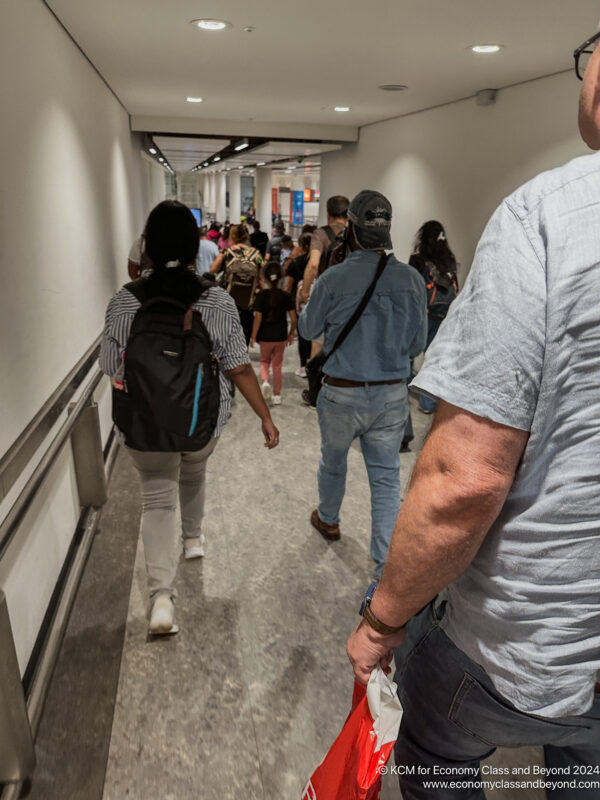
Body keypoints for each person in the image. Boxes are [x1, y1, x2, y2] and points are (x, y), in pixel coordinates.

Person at [347, 28, 600, 799]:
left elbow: (463, 482)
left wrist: (382, 622)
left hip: (519, 645)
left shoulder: (551, 216)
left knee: (436, 751)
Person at [99, 201, 279, 636]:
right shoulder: (215, 300)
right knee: (194, 470)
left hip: (143, 426)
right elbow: (237, 366)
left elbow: (111, 366)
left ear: (147, 247)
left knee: (156, 499)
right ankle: (193, 540)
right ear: (194, 244)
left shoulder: (125, 302)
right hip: (201, 421)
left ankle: (161, 597)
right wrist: (265, 417)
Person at [298, 190, 427, 579]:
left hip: (340, 393)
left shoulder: (334, 278)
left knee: (333, 461)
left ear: (350, 229)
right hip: (391, 395)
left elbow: (308, 328)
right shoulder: (412, 279)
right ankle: (385, 562)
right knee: (386, 477)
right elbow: (418, 345)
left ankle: (330, 518)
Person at [408, 220, 458, 414]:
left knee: (408, 353)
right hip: (442, 314)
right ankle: (428, 403)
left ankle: (401, 389)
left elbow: (411, 287)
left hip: (420, 313)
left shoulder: (418, 259)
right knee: (433, 358)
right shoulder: (449, 259)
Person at [250, 263, 296, 406]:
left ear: (265, 277)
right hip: (281, 336)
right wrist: (291, 334)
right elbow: (294, 319)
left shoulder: (262, 295)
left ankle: (265, 382)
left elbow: (258, 318)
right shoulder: (286, 295)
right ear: (281, 277)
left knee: (264, 361)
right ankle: (277, 395)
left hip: (265, 336)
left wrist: (253, 336)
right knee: (277, 365)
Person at [210, 223, 264, 345]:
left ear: (232, 236)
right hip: (248, 305)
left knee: (226, 338)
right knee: (243, 339)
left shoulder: (227, 252)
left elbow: (213, 269)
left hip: (227, 304)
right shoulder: (255, 254)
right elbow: (262, 278)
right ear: (246, 236)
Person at [300, 195, 349, 305]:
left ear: (328, 214)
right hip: (350, 295)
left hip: (327, 294)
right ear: (348, 216)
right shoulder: (355, 236)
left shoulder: (320, 234)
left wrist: (305, 291)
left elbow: (313, 264)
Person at [284, 233, 312, 377]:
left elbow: (288, 286)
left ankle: (303, 366)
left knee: (303, 335)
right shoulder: (320, 263)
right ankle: (314, 363)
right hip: (317, 301)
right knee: (316, 334)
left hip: (300, 303)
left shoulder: (295, 263)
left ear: (301, 246)